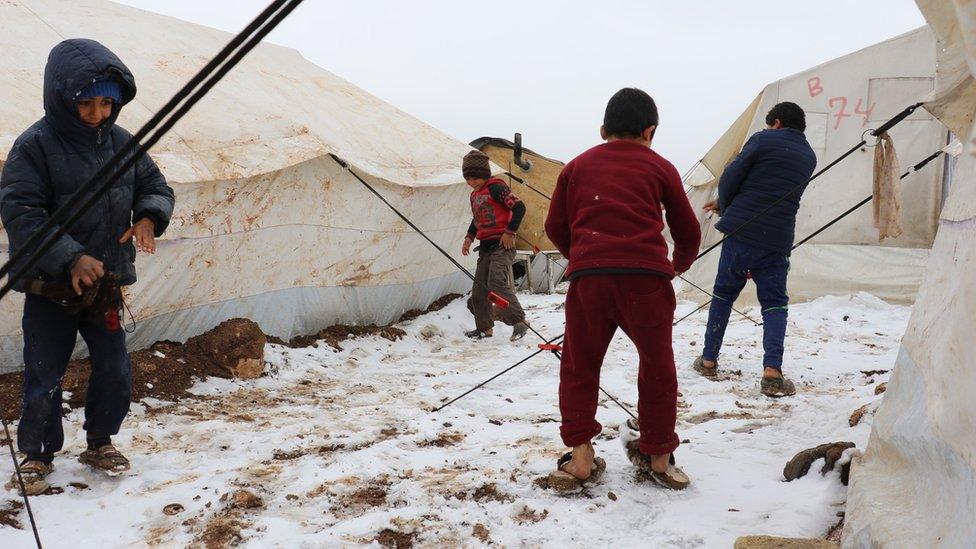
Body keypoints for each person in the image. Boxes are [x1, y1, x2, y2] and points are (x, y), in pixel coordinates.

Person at [0, 39, 175, 494]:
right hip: (50, 291)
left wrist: (149, 217)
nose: (98, 113)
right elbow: (22, 213)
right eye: (86, 103)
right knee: (44, 373)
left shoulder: (122, 143)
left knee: (115, 368)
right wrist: (70, 256)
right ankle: (38, 454)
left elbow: (154, 184)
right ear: (62, 97)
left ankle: (100, 441)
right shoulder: (33, 146)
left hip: (105, 286)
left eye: (106, 103)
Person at [544, 88, 701, 491]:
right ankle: (660, 459)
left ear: (603, 130)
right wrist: (673, 266)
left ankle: (580, 461)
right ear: (650, 131)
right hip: (646, 283)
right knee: (657, 367)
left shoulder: (576, 166)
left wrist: (582, 257)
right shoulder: (660, 167)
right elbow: (688, 230)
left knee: (579, 365)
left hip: (589, 283)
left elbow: (554, 227)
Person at [692, 102, 817, 397]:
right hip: (777, 240)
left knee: (723, 293)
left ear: (776, 122)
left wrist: (724, 203)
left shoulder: (762, 139)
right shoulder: (809, 156)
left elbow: (732, 176)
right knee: (774, 303)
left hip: (741, 233)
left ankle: (708, 360)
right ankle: (772, 371)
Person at [460, 150, 531, 342]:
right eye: (467, 178)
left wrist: (510, 232)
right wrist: (469, 238)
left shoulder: (496, 188)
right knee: (479, 291)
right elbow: (477, 219)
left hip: (502, 244)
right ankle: (484, 329)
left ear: (484, 174)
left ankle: (520, 321)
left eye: (474, 178)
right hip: (485, 247)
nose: (471, 182)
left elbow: (519, 207)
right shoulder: (474, 195)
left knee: (497, 283)